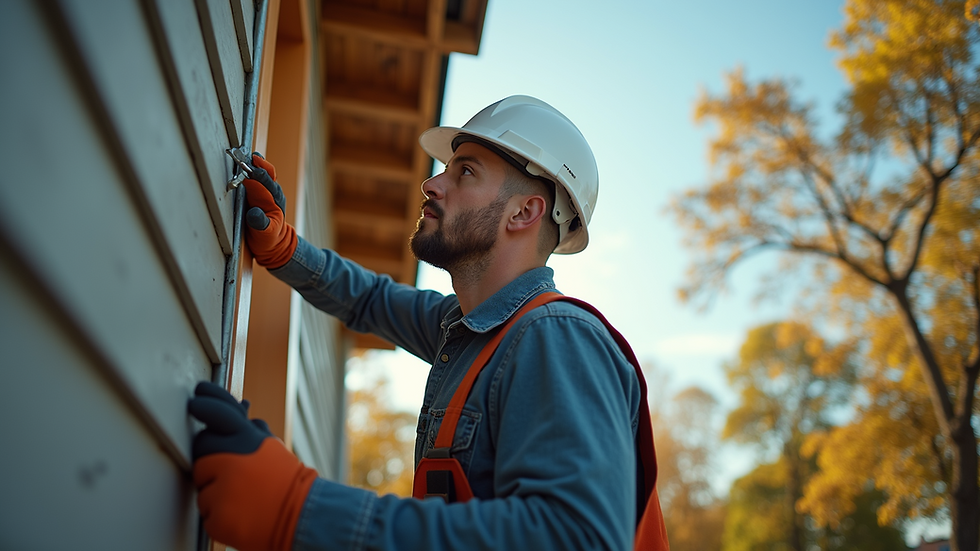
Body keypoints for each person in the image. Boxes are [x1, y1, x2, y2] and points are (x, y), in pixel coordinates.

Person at [188, 96, 666, 551]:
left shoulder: (556, 337)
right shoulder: (466, 331)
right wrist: (284, 249)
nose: (433, 185)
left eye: (466, 172)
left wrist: (301, 510)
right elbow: (370, 300)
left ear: (524, 212)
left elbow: (572, 539)